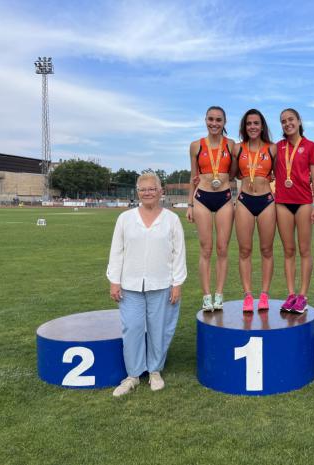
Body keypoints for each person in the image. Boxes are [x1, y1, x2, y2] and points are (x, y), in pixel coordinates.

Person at [107, 172, 187, 397]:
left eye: (152, 188)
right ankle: (133, 375)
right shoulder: (125, 219)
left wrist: (177, 282)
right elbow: (117, 251)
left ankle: (154, 371)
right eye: (143, 189)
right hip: (130, 285)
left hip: (162, 284)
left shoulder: (171, 219)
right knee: (131, 328)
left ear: (161, 191)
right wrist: (114, 280)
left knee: (158, 329)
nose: (148, 192)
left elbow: (178, 253)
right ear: (137, 193)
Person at [187, 106, 237, 311]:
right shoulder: (195, 146)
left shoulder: (231, 145)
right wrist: (190, 203)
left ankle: (219, 293)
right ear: (205, 120)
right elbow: (193, 176)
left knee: (222, 249)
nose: (214, 123)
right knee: (206, 249)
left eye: (218, 120)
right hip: (202, 198)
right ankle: (206, 295)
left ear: (224, 122)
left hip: (224, 197)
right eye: (211, 119)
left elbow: (234, 173)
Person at [274, 108, 314, 314]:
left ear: (299, 121)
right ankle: (291, 294)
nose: (287, 124)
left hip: (303, 202)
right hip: (282, 202)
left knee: (304, 250)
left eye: (290, 119)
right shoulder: (277, 147)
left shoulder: (310, 146)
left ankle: (302, 295)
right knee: (288, 251)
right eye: (283, 121)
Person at [234, 109, 277, 312]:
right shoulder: (237, 148)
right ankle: (248, 295)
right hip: (244, 201)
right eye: (249, 123)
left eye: (256, 123)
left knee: (267, 250)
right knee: (245, 250)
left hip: (267, 201)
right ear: (245, 126)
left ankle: (264, 295)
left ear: (262, 126)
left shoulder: (272, 149)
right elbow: (230, 172)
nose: (252, 126)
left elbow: (280, 172)